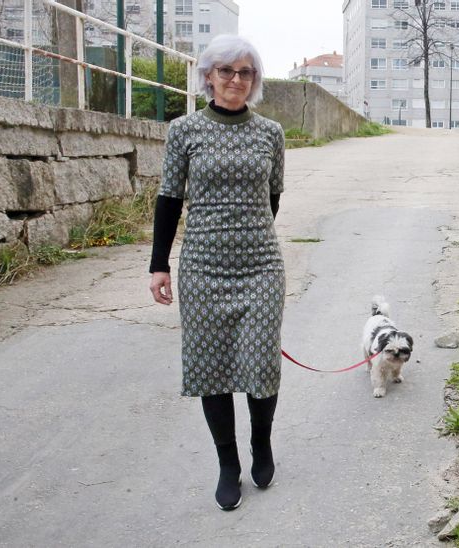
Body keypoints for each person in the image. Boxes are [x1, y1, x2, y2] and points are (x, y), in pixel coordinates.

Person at [148, 35, 286, 511]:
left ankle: (261, 444)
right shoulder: (184, 131)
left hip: (261, 265)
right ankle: (228, 463)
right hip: (203, 266)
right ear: (208, 76)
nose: (235, 80)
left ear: (255, 80)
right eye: (226, 71)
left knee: (260, 363)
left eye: (245, 72)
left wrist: (248, 233)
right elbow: (168, 199)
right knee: (212, 369)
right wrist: (158, 264)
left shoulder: (270, 133)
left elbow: (274, 196)